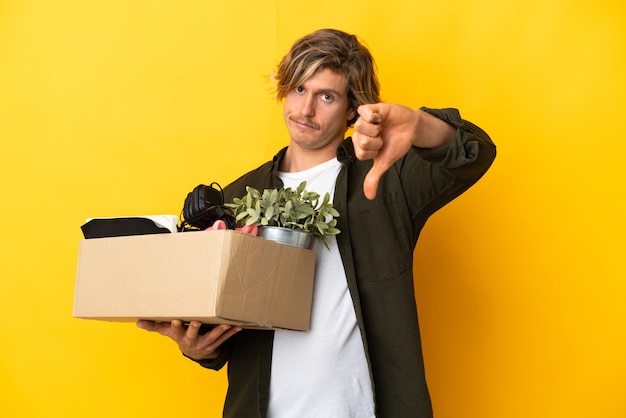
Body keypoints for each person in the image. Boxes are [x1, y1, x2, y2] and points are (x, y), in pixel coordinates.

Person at [137, 28, 496, 417]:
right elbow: (222, 324)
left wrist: (420, 125)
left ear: (352, 108)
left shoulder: (387, 176)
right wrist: (197, 348)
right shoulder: (236, 198)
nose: (305, 110)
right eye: (299, 90)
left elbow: (473, 154)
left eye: (326, 96)